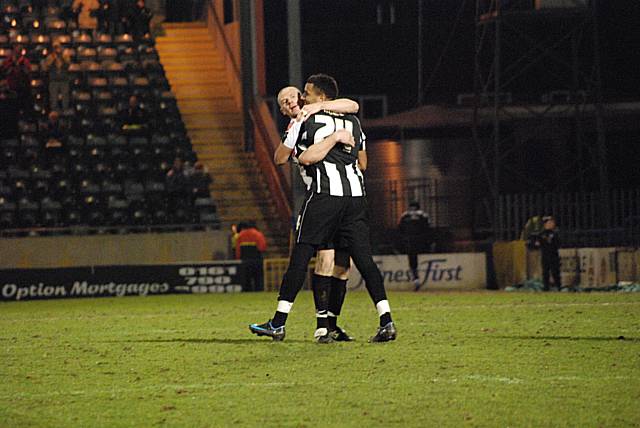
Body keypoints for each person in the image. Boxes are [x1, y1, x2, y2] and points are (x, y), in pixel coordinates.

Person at [250, 74, 396, 343]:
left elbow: (291, 157)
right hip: (355, 196)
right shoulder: (351, 121)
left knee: (306, 257)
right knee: (350, 261)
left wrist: (322, 142)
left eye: (301, 94)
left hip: (323, 196)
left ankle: (282, 322)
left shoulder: (305, 120)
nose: (298, 99)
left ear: (318, 97)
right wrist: (339, 140)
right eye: (285, 101)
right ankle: (379, 321)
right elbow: (361, 154)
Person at [275, 85, 362, 341]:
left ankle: (329, 324)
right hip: (320, 199)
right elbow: (280, 157)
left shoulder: (322, 115)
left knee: (343, 267)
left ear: (302, 98)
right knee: (321, 261)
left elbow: (352, 105)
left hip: (344, 197)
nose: (289, 100)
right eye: (283, 101)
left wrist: (319, 107)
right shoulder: (296, 129)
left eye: (292, 95)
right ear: (282, 110)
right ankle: (321, 326)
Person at [399, 201, 431, 291]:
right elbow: (428, 228)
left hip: (409, 242)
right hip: (421, 242)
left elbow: (400, 229)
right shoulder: (423, 215)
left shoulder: (405, 216)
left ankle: (416, 279)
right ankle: (417, 280)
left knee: (413, 261)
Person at [235, 221, 267, 292]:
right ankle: (259, 291)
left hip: (245, 260)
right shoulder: (258, 234)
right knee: (258, 279)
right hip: (257, 260)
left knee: (246, 279)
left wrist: (238, 258)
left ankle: (247, 292)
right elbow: (262, 247)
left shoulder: (240, 235)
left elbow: (238, 250)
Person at [0, 46, 31, 116]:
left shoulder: (25, 61)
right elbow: (4, 72)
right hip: (11, 88)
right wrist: (12, 66)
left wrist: (21, 67)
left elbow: (28, 72)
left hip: (22, 87)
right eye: (16, 52)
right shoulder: (8, 61)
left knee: (23, 106)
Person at [42, 43, 72, 112]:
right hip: (54, 80)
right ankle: (54, 111)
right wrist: (53, 59)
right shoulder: (50, 57)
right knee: (53, 97)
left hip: (63, 79)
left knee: (65, 97)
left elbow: (68, 65)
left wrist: (62, 58)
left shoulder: (65, 56)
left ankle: (65, 110)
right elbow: (47, 67)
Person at [535, 216, 561, 291]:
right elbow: (537, 244)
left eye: (552, 223)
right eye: (549, 223)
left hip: (554, 254)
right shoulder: (541, 234)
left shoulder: (555, 233)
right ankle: (546, 287)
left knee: (555, 271)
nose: (551, 224)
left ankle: (558, 286)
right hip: (545, 255)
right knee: (545, 271)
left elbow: (558, 243)